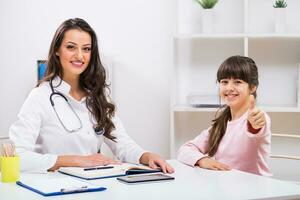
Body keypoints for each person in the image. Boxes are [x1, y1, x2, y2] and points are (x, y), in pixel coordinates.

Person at [9, 18, 174, 173]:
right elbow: (17, 157)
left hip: (94, 184)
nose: (80, 56)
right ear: (57, 51)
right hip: (53, 188)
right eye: (71, 47)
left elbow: (122, 143)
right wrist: (75, 160)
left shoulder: (98, 97)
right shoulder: (40, 96)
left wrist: (146, 156)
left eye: (86, 49)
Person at [177, 55, 272, 176]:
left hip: (255, 190)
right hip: (226, 187)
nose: (229, 88)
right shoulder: (221, 123)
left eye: (238, 82)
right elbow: (185, 149)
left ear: (252, 87)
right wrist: (202, 160)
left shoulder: (257, 118)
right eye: (224, 82)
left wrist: (254, 126)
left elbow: (255, 130)